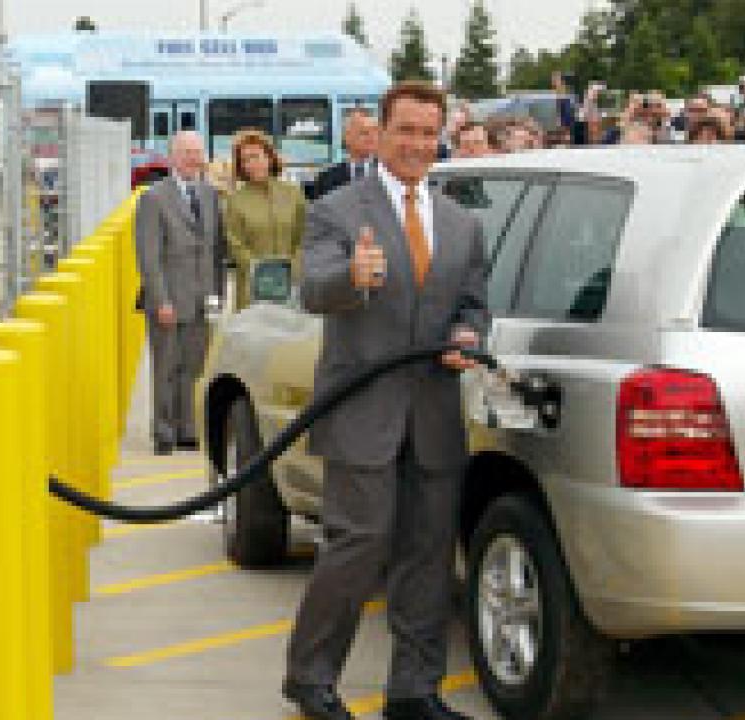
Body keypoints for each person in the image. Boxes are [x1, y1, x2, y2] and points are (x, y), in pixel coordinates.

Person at [282, 81, 487, 720]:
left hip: (432, 414)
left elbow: (473, 303)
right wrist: (353, 277)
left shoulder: (461, 223)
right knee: (357, 547)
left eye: (430, 133)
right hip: (362, 413)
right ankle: (309, 677)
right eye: (407, 131)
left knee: (427, 553)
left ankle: (413, 690)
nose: (418, 145)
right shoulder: (339, 210)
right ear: (381, 132)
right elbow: (313, 289)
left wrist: (467, 335)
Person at [134, 130, 223, 455]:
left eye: (197, 152)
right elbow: (149, 255)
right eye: (186, 152)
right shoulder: (154, 198)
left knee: (195, 368)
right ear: (172, 157)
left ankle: (189, 429)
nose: (193, 158)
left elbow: (215, 250)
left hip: (201, 299)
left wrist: (216, 295)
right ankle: (164, 432)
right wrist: (161, 300)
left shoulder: (210, 195)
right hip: (169, 299)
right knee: (166, 369)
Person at [223, 130, 307, 310]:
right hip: (252, 291)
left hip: (291, 286)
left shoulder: (293, 194)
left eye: (255, 156)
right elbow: (235, 245)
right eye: (245, 160)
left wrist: (293, 268)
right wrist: (264, 274)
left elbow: (304, 236)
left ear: (269, 157)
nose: (251, 164)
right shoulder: (235, 200)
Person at [308, 108, 380, 200]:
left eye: (375, 133)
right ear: (347, 137)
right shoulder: (326, 180)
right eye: (364, 133)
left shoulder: (389, 174)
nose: (372, 138)